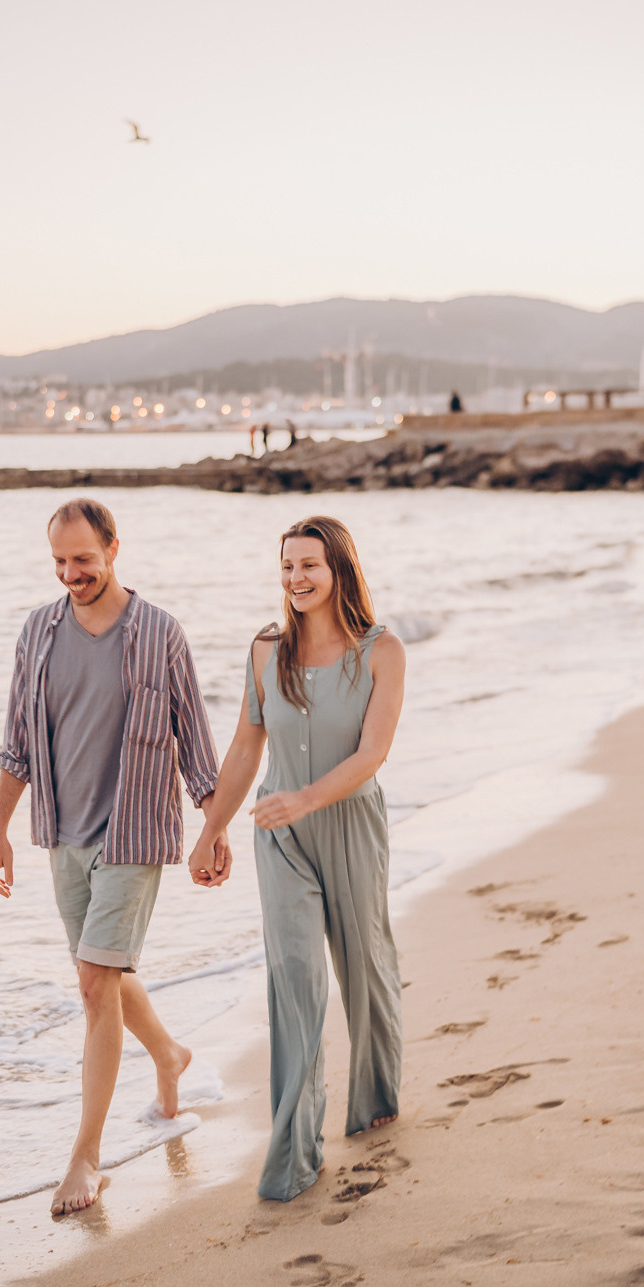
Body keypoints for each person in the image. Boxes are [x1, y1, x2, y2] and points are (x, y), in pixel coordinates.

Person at [0, 498, 228, 1217]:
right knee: (105, 977)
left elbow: (197, 740)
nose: (70, 574)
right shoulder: (39, 629)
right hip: (62, 831)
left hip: (134, 833)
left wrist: (212, 829)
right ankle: (170, 1054)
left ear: (114, 550)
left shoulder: (159, 633)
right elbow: (17, 741)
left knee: (95, 981)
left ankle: (85, 1159)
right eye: (59, 562)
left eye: (83, 560)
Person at [188, 515, 405, 1202]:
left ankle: (374, 1098)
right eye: (287, 567)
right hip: (279, 835)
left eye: (310, 565)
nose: (297, 578)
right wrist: (211, 827)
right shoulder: (265, 650)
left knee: (364, 966)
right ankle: (294, 1153)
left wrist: (307, 798)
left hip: (348, 825)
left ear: (340, 568)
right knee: (298, 980)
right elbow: (247, 745)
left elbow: (372, 756)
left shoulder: (381, 650)